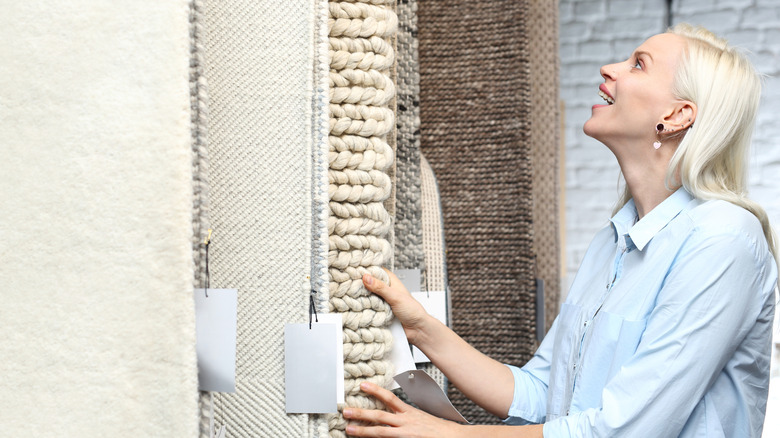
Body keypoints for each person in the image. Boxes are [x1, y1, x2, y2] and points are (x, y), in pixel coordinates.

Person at [342, 23, 778, 437]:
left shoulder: (724, 239)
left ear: (678, 114)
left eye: (638, 64)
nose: (610, 69)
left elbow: (627, 429)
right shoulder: (613, 240)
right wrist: (421, 329)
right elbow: (543, 395)